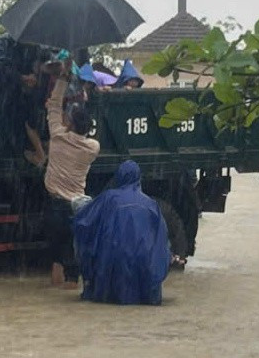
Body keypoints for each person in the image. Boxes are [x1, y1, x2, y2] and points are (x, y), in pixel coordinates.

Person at [72, 160, 171, 304]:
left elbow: (85, 221)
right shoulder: (151, 204)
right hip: (143, 267)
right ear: (139, 177)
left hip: (112, 264)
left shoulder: (108, 198)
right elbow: (161, 241)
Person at [43, 60, 101, 287]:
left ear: (69, 124)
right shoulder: (92, 148)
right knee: (72, 258)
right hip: (78, 206)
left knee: (56, 258)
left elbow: (54, 106)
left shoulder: (57, 137)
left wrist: (62, 78)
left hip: (56, 206)